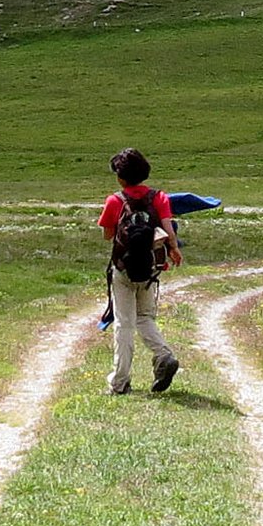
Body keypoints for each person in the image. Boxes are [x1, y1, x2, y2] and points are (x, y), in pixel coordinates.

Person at [98, 147, 180, 394]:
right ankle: (164, 356)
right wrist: (174, 249)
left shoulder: (115, 201)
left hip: (122, 269)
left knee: (124, 323)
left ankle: (120, 382)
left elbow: (107, 235)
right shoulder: (160, 198)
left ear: (121, 177)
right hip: (150, 269)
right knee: (145, 318)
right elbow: (168, 229)